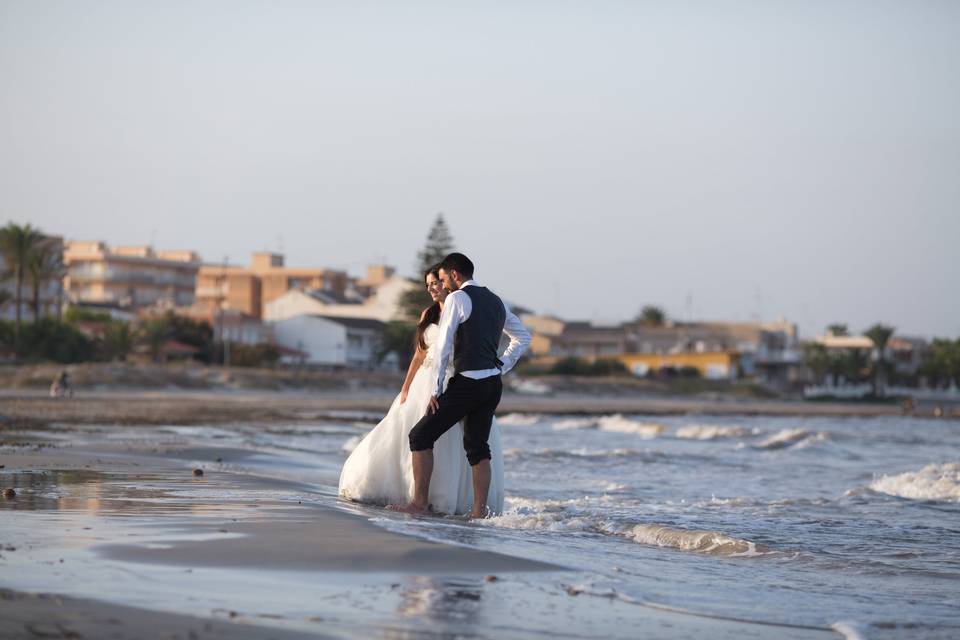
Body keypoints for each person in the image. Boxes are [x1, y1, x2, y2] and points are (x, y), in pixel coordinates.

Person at [338, 264, 512, 515]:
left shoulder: (465, 309)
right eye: (428, 284)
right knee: (412, 433)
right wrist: (406, 386)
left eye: (436, 282)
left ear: (448, 282)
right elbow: (420, 355)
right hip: (424, 381)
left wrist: (497, 365)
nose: (432, 288)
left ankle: (451, 501)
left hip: (457, 380)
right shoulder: (428, 314)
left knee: (460, 443)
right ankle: (416, 496)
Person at [388, 253, 530, 518]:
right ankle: (478, 513)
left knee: (420, 436)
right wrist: (502, 364)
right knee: (478, 448)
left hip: (468, 382)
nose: (443, 285)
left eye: (443, 279)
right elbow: (523, 337)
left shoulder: (457, 298)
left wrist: (436, 389)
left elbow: (443, 346)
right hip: (492, 384)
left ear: (454, 274)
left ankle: (419, 504)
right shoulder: (497, 301)